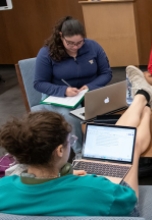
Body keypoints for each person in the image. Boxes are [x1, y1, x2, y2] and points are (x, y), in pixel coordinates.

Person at [0, 65, 152, 216]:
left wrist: (65, 176)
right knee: (130, 149)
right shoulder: (96, 189)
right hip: (119, 205)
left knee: (116, 141)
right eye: (71, 140)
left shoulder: (4, 188)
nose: (72, 141)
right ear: (60, 150)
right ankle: (145, 103)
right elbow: (129, 203)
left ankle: (143, 99)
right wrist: (87, 181)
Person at [33, 16, 112, 154]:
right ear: (61, 36)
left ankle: (107, 146)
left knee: (113, 108)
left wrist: (90, 86)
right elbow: (39, 83)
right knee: (72, 116)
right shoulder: (46, 53)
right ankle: (80, 152)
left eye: (79, 43)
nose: (75, 47)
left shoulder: (93, 46)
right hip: (59, 96)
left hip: (89, 92)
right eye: (70, 43)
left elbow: (106, 73)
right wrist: (64, 90)